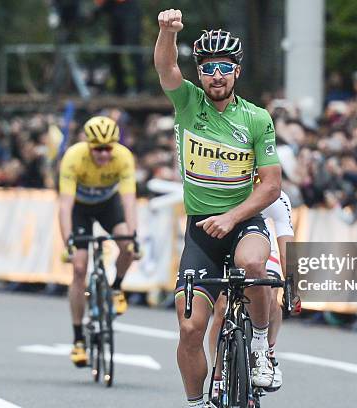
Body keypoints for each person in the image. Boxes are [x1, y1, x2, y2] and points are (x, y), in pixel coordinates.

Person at [154, 9, 281, 407]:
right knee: (190, 329)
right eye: (209, 68)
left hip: (242, 222)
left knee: (254, 266)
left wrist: (232, 216)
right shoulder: (189, 103)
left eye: (225, 67)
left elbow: (272, 185)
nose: (217, 76)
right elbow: (166, 65)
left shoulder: (257, 118)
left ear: (236, 71)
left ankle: (260, 345)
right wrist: (165, 32)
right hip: (201, 231)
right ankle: (195, 401)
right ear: (201, 73)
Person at [57, 116, 139, 367]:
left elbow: (129, 201)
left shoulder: (124, 157)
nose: (103, 154)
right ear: (87, 144)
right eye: (98, 149)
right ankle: (78, 339)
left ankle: (116, 287)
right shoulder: (73, 157)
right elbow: (64, 205)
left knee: (127, 246)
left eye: (108, 148)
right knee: (80, 267)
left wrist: (133, 237)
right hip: (79, 208)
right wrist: (68, 242)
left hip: (108, 205)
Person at [209, 189, 293, 396]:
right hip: (226, 242)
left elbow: (286, 248)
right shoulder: (226, 188)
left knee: (270, 293)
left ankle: (268, 353)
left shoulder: (277, 196)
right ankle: (218, 378)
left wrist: (293, 285)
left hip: (262, 244)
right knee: (221, 308)